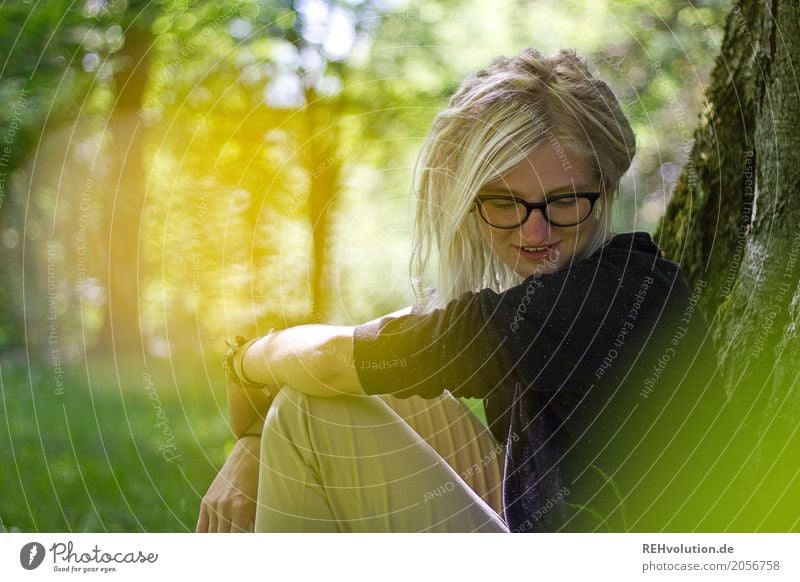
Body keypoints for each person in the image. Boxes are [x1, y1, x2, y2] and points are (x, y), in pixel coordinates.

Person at [196, 47, 736, 533]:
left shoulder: (615, 296)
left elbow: (341, 358)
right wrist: (254, 439)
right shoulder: (533, 299)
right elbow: (374, 350)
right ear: (470, 205)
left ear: (607, 186)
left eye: (565, 200)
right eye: (504, 203)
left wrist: (243, 363)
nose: (535, 233)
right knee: (344, 390)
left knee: (313, 416)